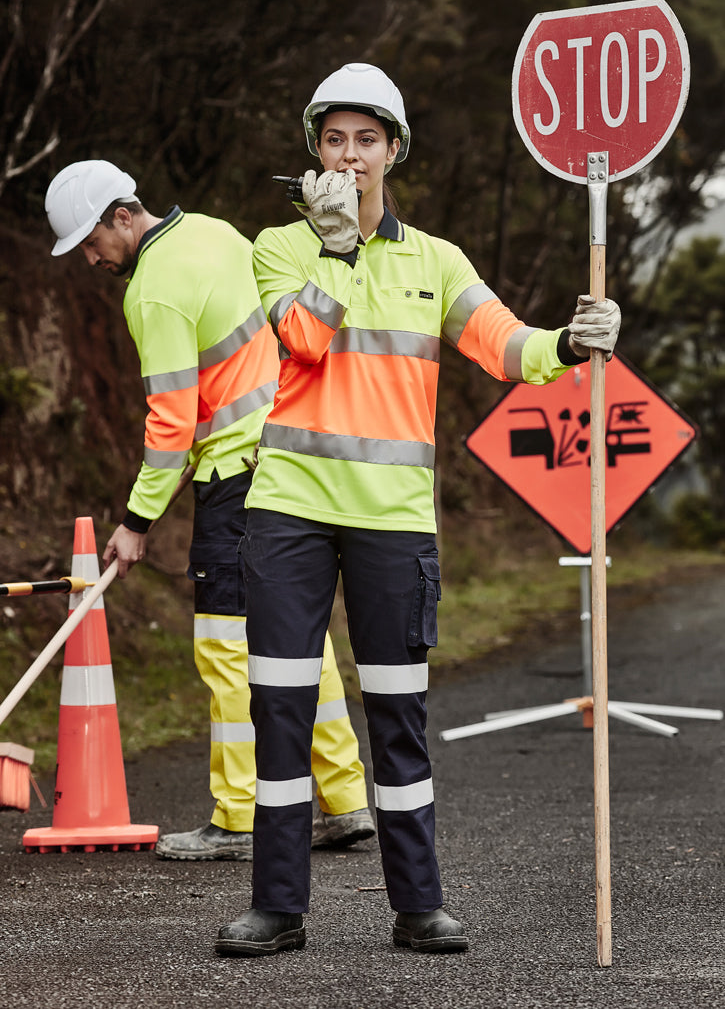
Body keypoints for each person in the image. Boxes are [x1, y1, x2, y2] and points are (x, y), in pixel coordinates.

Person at [214, 63, 621, 957]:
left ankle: (418, 905)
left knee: (397, 716)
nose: (349, 155)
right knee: (279, 709)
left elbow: (504, 344)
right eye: (333, 140)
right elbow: (304, 341)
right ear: (314, 153)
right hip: (286, 514)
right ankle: (277, 908)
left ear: (393, 150)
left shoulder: (436, 259)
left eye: (366, 140)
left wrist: (570, 340)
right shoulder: (276, 248)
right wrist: (332, 249)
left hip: (393, 525)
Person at [43, 159, 375, 860]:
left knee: (226, 650)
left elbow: (170, 424)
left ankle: (238, 816)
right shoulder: (218, 232)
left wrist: (134, 525)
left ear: (122, 216)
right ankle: (345, 803)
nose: (91, 260)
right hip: (293, 460)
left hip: (236, 477)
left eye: (91, 243)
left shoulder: (153, 294)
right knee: (299, 638)